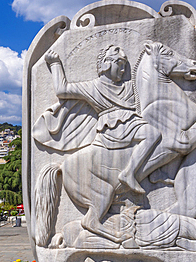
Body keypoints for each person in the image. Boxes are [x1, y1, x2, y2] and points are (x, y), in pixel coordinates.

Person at [35, 44, 162, 195]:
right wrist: (55, 63)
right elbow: (62, 90)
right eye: (119, 65)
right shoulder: (92, 87)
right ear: (106, 64)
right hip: (114, 127)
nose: (123, 70)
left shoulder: (129, 86)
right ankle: (129, 173)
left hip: (132, 122)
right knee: (152, 134)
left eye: (124, 66)